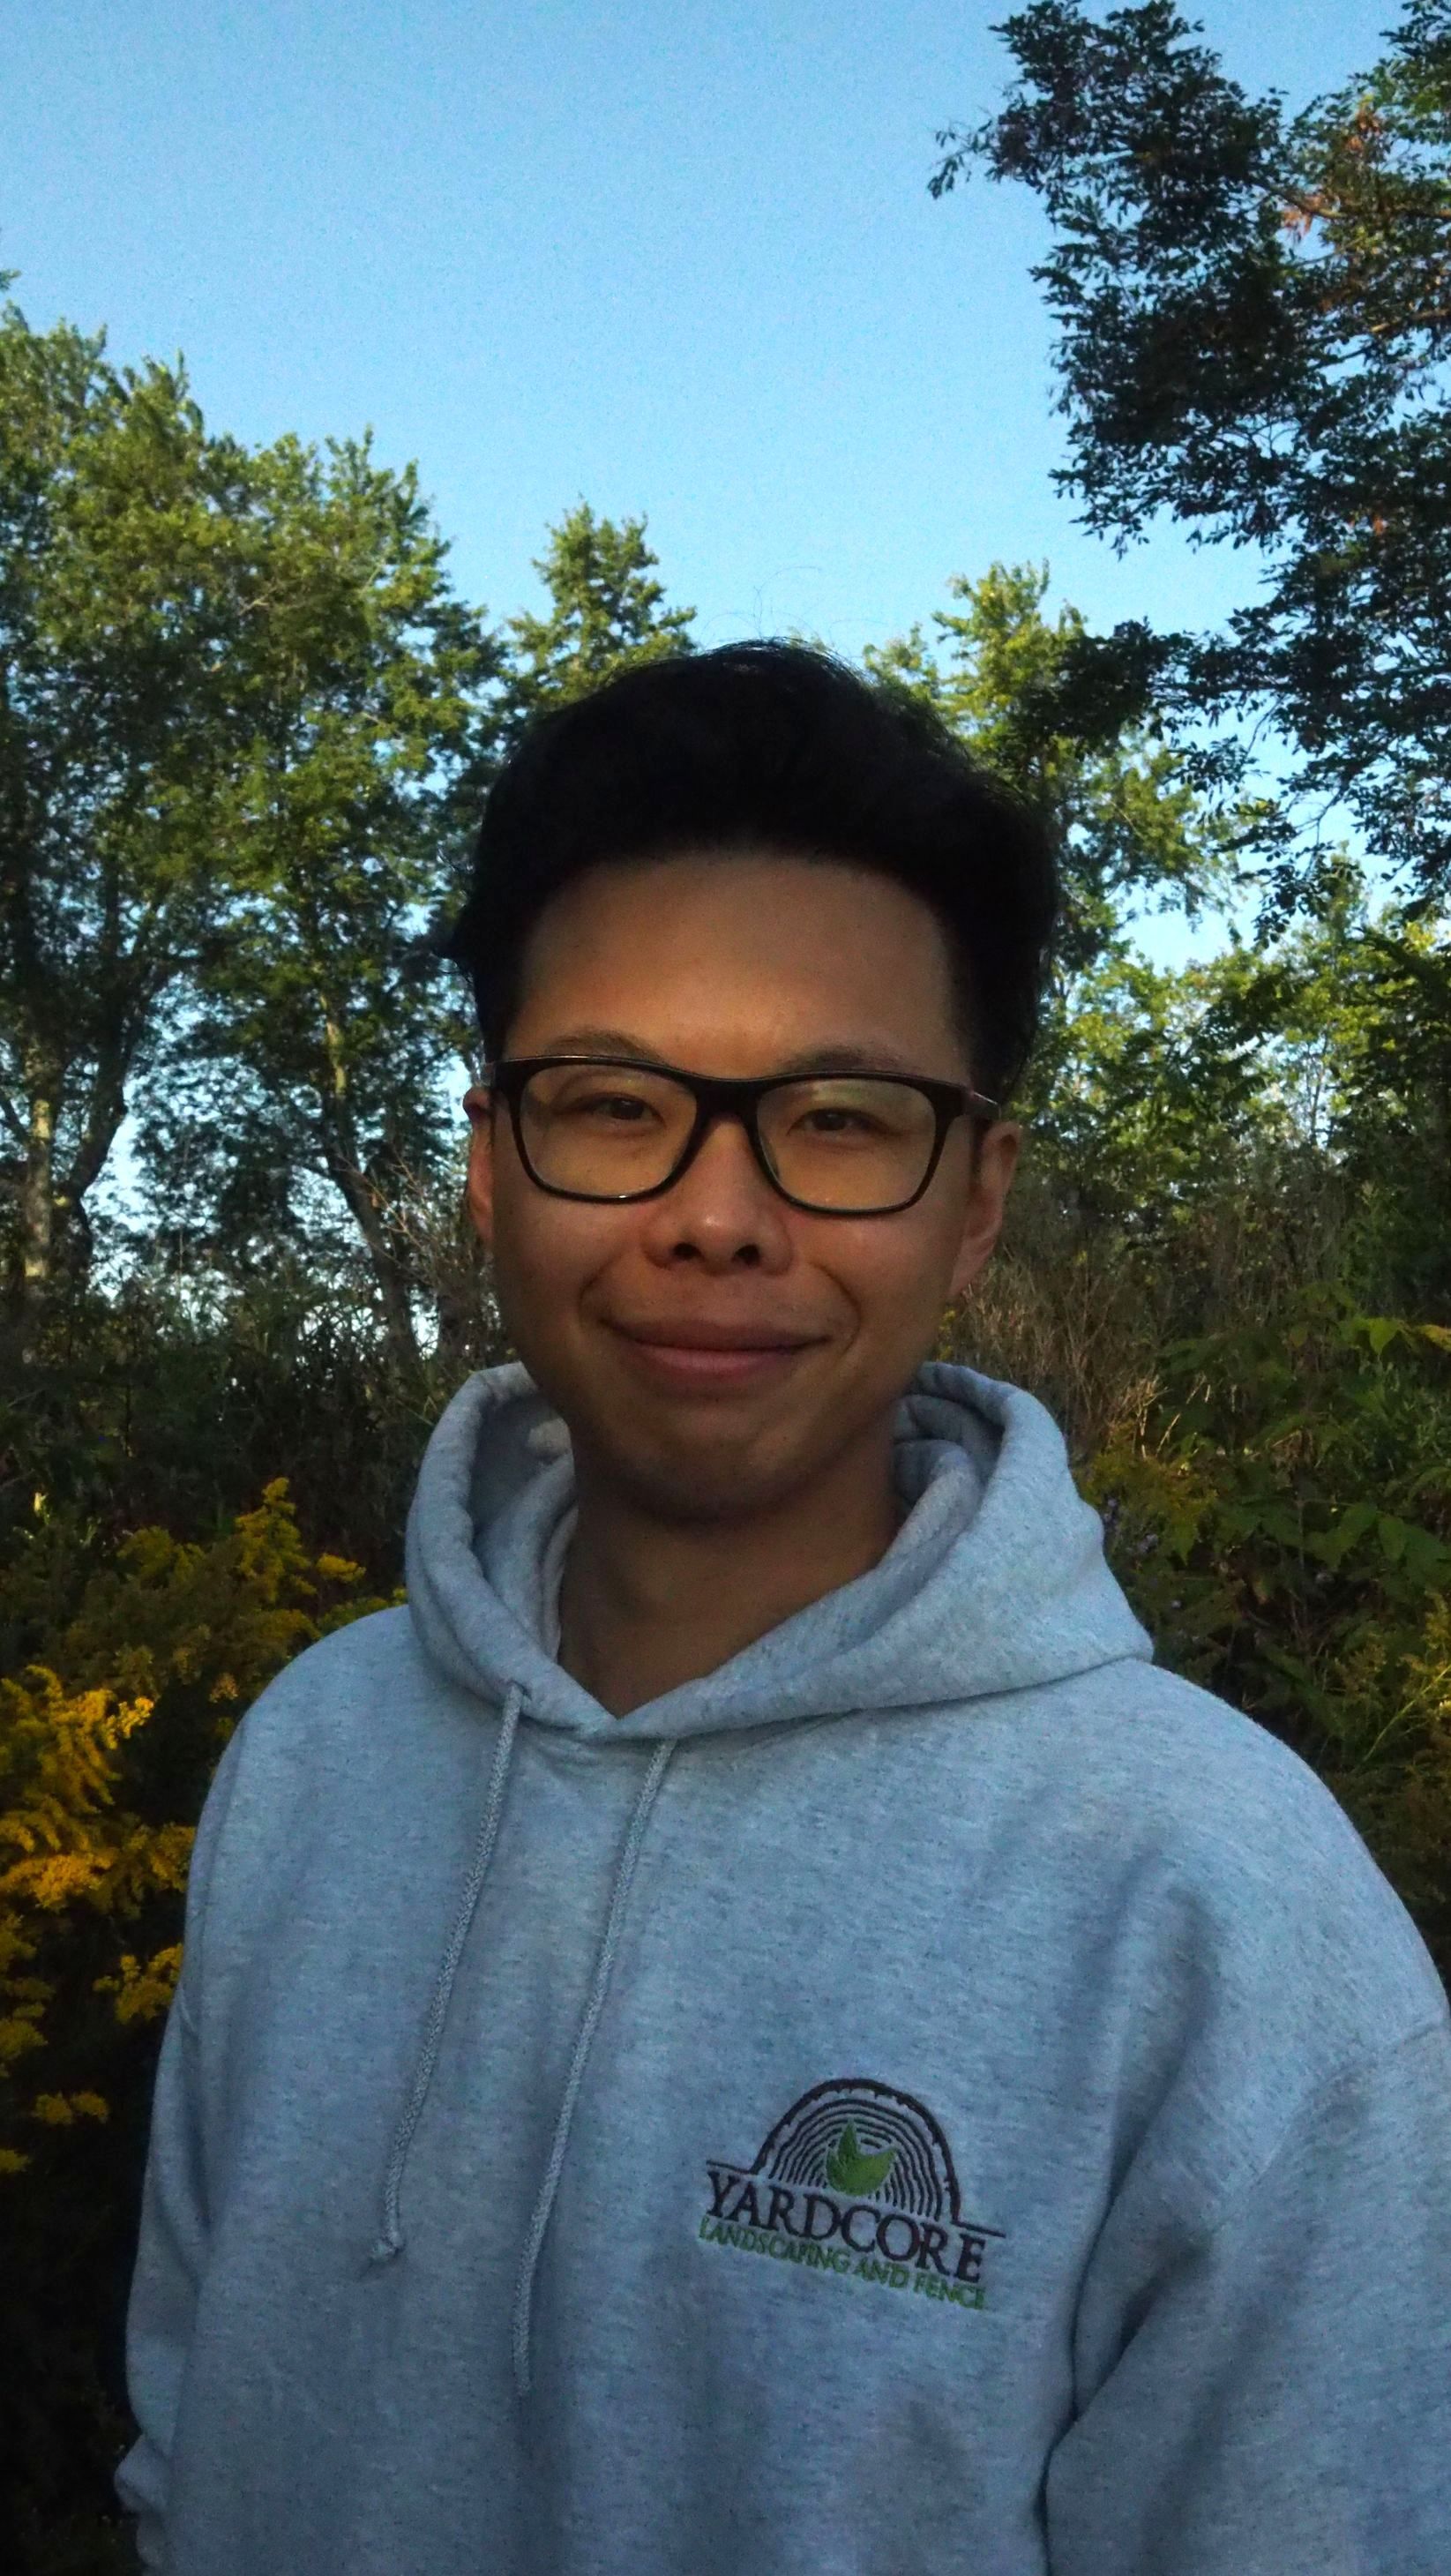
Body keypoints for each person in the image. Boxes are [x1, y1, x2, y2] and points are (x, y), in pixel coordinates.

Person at [118, 642, 1451, 2573]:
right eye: (611, 1102)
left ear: (973, 1200)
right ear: (491, 1168)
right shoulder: (316, 1754)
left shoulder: (1214, 1911)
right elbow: (190, 2439)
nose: (717, 1215)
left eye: (836, 1117)